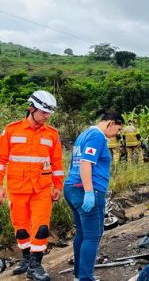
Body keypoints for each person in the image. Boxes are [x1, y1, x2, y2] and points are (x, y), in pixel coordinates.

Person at [0, 90, 64, 281]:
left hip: (42, 189)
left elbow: (57, 163)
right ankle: (26, 259)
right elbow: (1, 160)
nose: (46, 117)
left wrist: (58, 186)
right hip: (17, 188)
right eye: (43, 113)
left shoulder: (52, 134)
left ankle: (36, 266)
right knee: (20, 227)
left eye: (48, 114)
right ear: (31, 109)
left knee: (41, 227)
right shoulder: (11, 131)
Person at [64, 110, 124, 281]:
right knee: (93, 235)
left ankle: (79, 275)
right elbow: (85, 163)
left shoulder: (84, 134)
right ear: (110, 123)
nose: (117, 134)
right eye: (118, 130)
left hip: (72, 188)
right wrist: (89, 192)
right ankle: (85, 277)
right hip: (87, 189)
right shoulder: (97, 137)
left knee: (82, 233)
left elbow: (74, 163)